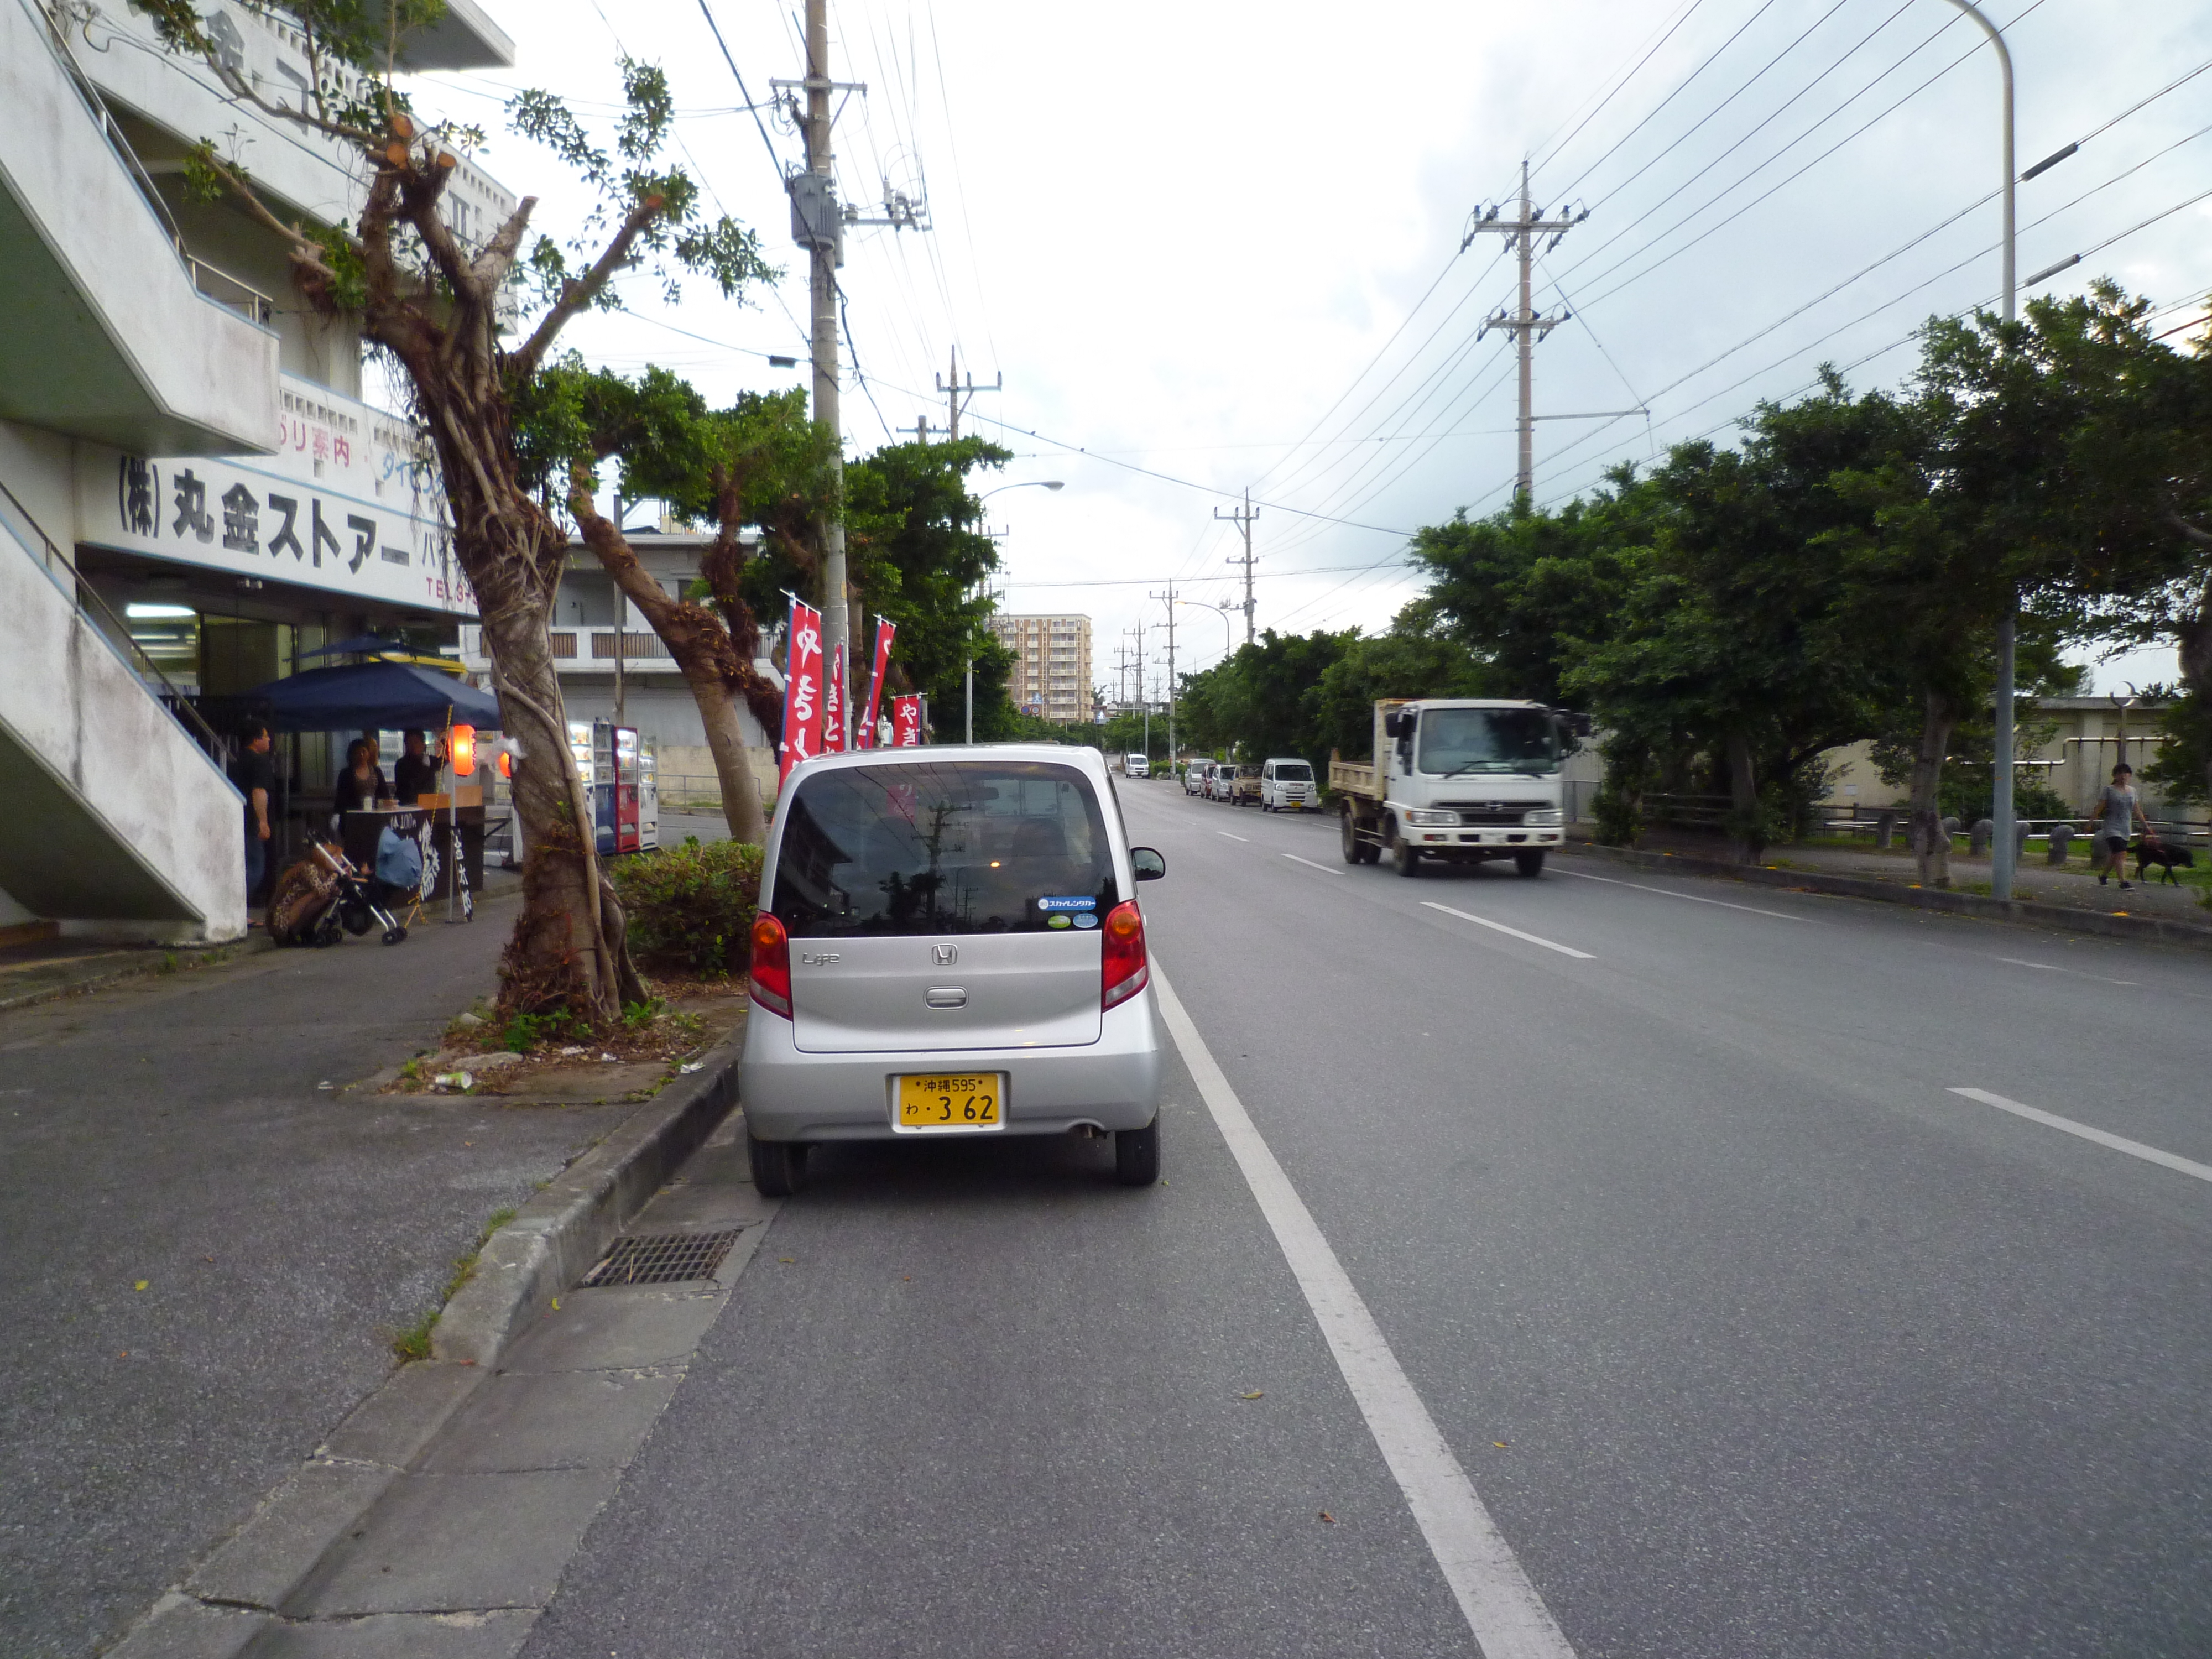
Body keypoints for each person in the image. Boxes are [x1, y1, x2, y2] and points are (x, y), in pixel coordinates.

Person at [2090, 761, 2154, 890]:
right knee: (2120, 853)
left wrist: (2146, 826)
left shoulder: (2133, 791)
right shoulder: (2109, 790)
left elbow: (2137, 810)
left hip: (2126, 827)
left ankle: (2103, 876)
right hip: (2112, 826)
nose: (2123, 776)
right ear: (2115, 776)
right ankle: (2123, 882)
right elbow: (2099, 808)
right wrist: (2090, 822)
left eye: (2126, 773)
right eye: (2120, 774)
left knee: (2116, 855)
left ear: (2130, 776)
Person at [233, 721, 274, 909]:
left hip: (236, 819)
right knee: (255, 868)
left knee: (242, 865)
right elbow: (259, 791)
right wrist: (263, 822)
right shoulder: (260, 761)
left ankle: (240, 909)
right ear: (256, 740)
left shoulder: (238, 759)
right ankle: (239, 908)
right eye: (265, 736)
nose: (269, 739)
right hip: (251, 821)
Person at [333, 738, 390, 815]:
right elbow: (341, 797)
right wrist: (337, 814)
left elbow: (385, 793)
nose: (361, 755)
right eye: (358, 753)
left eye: (364, 752)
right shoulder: (346, 773)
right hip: (353, 813)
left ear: (368, 753)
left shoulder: (377, 771)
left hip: (376, 812)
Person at [393, 728, 441, 804]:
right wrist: (426, 767)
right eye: (409, 743)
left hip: (429, 805)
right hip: (407, 806)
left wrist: (444, 741)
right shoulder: (402, 764)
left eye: (416, 742)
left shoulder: (430, 760)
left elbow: (443, 761)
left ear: (423, 744)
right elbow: (410, 786)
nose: (413, 746)